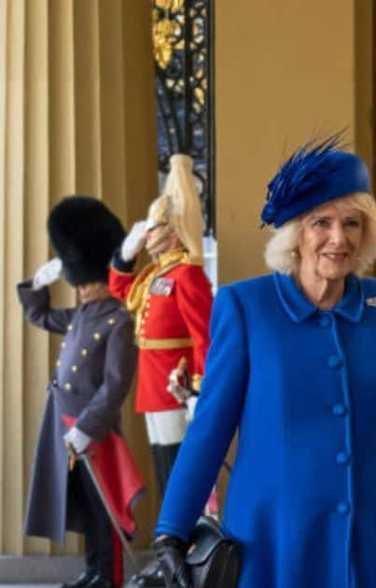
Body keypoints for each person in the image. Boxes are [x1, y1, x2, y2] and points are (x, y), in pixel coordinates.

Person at [151, 138, 376, 588]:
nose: (338, 238)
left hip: (370, 541)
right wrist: (171, 532)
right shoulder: (246, 307)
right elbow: (209, 430)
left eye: (352, 223)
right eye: (320, 223)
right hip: (273, 544)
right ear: (294, 233)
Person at [19, 196, 143, 588]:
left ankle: (109, 576)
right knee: (86, 507)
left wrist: (88, 426)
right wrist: (37, 283)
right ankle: (93, 570)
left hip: (94, 429)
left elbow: (117, 382)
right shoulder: (81, 316)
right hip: (64, 423)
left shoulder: (119, 318)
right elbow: (39, 315)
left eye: (86, 281)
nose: (83, 289)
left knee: (103, 507)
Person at [108, 154, 213, 494]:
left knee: (177, 466)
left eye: (153, 228)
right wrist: (126, 254)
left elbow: (203, 333)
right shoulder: (156, 273)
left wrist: (199, 387)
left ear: (172, 232)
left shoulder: (187, 274)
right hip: (153, 381)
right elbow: (123, 291)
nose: (148, 234)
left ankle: (181, 537)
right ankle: (170, 537)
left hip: (174, 381)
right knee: (162, 460)